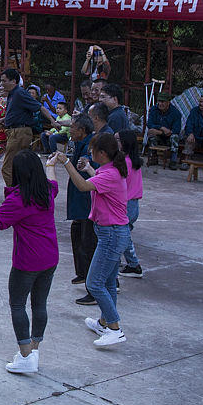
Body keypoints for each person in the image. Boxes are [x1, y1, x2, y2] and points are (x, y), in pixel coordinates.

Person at [0, 150, 59, 374]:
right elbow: (53, 180)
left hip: (27, 261)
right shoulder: (47, 191)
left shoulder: (19, 199)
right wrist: (51, 164)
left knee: (18, 304)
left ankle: (25, 355)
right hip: (50, 257)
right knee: (39, 304)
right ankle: (34, 348)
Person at [52, 133, 130, 347]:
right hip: (113, 233)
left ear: (102, 153)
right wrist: (88, 169)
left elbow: (84, 187)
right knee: (107, 283)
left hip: (112, 235)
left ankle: (115, 328)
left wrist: (66, 163)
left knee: (94, 283)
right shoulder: (110, 170)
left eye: (93, 152)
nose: (90, 154)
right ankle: (104, 322)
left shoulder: (111, 174)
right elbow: (97, 182)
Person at [0, 68, 55, 187]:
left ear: (13, 81)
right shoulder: (13, 94)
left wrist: (52, 121)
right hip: (15, 131)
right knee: (19, 166)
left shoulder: (19, 93)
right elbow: (18, 112)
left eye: (4, 81)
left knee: (7, 168)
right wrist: (4, 120)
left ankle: (15, 195)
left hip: (18, 133)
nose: (2, 84)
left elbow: (40, 107)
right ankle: (24, 192)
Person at [65, 115, 98, 297]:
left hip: (87, 198)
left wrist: (66, 161)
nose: (70, 129)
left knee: (88, 241)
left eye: (72, 127)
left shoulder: (90, 145)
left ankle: (92, 284)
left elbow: (80, 164)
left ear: (82, 130)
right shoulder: (75, 141)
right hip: (78, 195)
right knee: (77, 233)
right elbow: (69, 157)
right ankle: (82, 273)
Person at [117, 129, 146, 279]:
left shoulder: (125, 163)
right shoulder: (133, 161)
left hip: (126, 204)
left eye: (117, 140)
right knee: (124, 234)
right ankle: (132, 263)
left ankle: (134, 265)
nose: (114, 143)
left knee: (123, 235)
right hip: (132, 203)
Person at [145, 93, 182, 169]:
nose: (160, 104)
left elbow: (176, 130)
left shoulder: (176, 113)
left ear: (168, 102)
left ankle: (173, 161)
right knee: (151, 134)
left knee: (175, 137)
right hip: (159, 135)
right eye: (159, 101)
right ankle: (153, 158)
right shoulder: (153, 109)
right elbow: (149, 124)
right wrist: (162, 128)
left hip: (169, 137)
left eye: (163, 102)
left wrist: (159, 132)